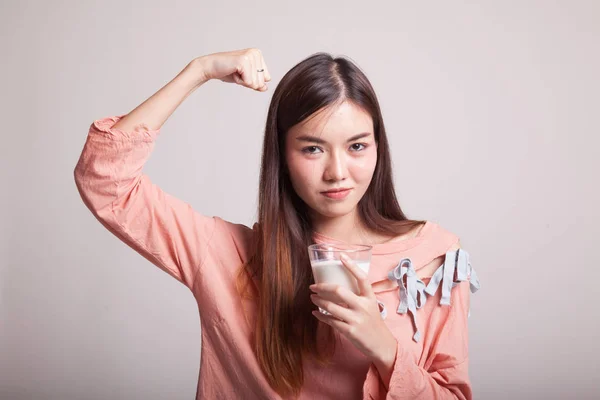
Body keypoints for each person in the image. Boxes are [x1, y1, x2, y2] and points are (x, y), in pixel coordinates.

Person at [74, 48, 480, 399]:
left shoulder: (433, 259)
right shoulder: (229, 256)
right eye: (312, 148)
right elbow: (105, 178)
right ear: (282, 156)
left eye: (357, 146)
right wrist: (199, 71)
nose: (337, 172)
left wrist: (385, 350)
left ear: (378, 147)